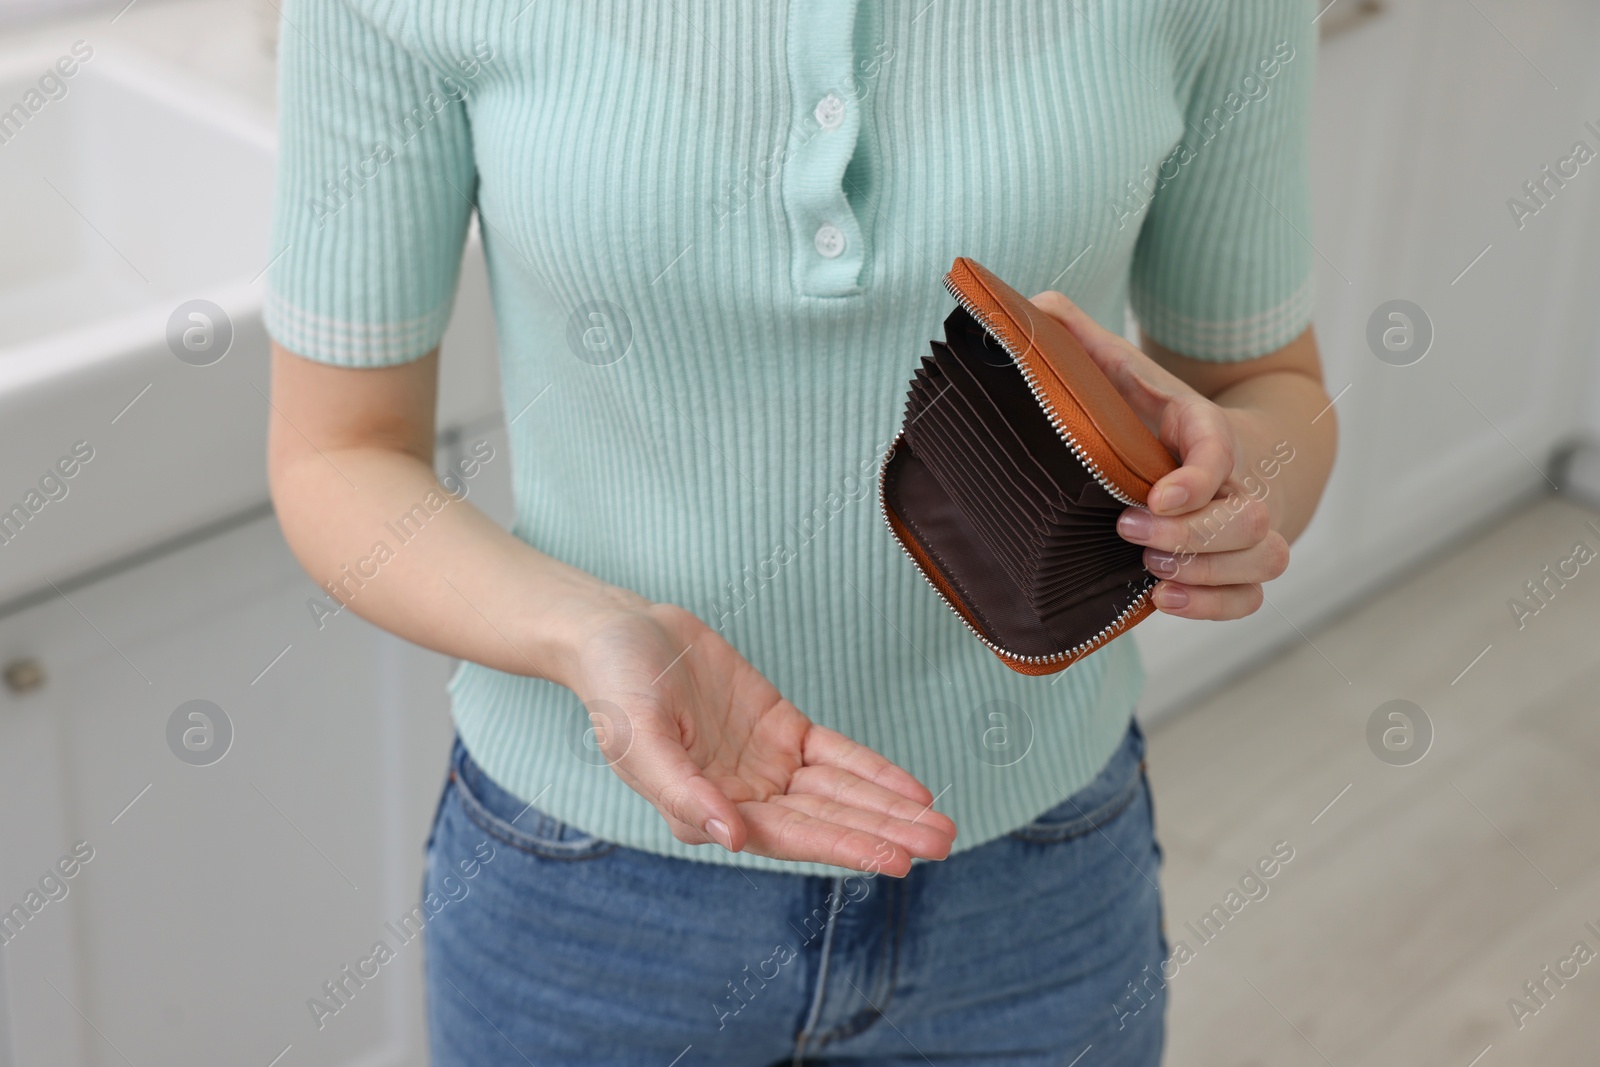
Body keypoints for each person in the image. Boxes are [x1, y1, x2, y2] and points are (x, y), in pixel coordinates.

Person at [264, 1, 1336, 1063]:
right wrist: (587, 629)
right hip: (581, 897)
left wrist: (1230, 493)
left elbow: (1264, 387)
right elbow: (337, 453)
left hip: (1033, 892)